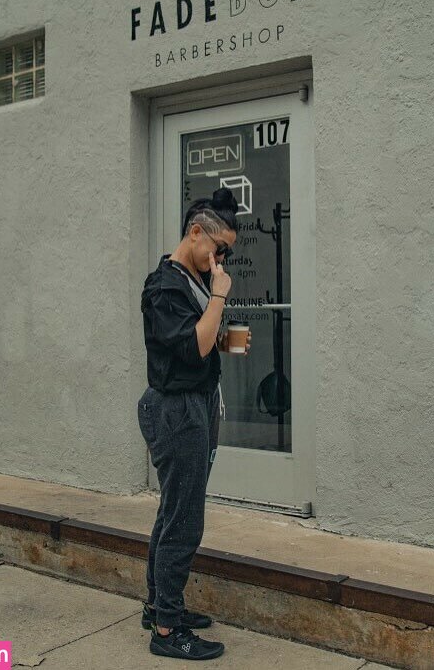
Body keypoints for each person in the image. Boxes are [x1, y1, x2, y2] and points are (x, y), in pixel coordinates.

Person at [137, 187, 251, 660]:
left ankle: (160, 606)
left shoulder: (193, 279)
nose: (221, 260)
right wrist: (220, 298)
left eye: (227, 254)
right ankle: (167, 630)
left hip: (197, 404)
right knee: (184, 521)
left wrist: (230, 340)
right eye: (219, 249)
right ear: (196, 232)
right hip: (175, 410)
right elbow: (194, 346)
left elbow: (205, 343)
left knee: (174, 511)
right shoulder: (164, 288)